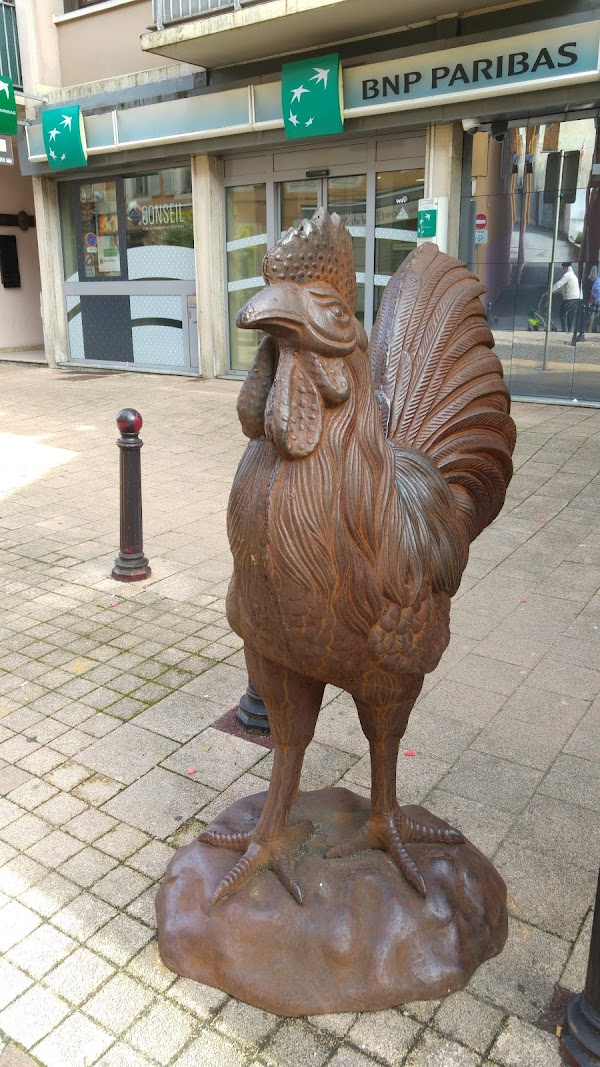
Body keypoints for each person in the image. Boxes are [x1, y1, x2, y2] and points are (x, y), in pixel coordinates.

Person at [552, 262, 581, 332]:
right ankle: (569, 329)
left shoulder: (567, 275)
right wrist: (556, 292)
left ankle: (564, 329)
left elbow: (559, 284)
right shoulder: (573, 275)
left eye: (564, 268)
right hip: (576, 297)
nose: (563, 269)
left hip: (569, 298)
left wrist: (550, 290)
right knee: (571, 314)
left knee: (562, 314)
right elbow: (566, 287)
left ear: (567, 267)